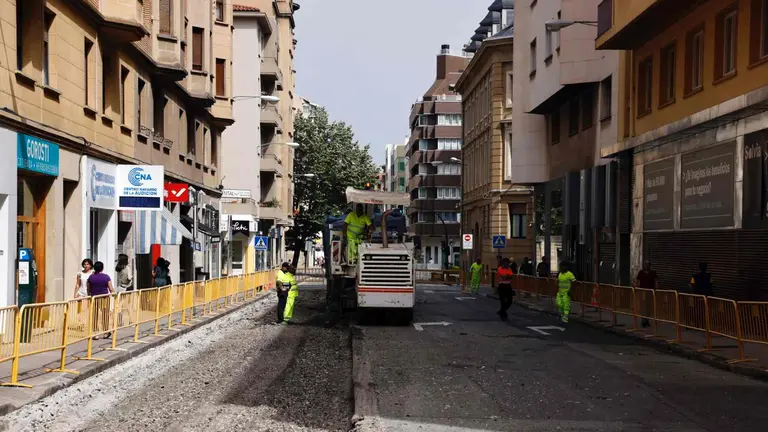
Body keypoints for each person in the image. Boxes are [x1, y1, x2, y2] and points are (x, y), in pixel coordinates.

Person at [87, 261, 114, 339]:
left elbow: (88, 289)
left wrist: (89, 295)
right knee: (105, 314)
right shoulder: (106, 277)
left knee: (94, 315)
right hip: (104, 297)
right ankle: (105, 332)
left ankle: (95, 333)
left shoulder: (91, 277)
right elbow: (110, 288)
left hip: (94, 298)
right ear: (102, 268)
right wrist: (114, 294)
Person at [635, 260, 658, 328]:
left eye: (648, 264)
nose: (646, 265)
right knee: (643, 306)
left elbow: (656, 280)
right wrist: (636, 288)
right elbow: (637, 281)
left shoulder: (653, 273)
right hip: (643, 292)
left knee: (649, 306)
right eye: (645, 264)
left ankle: (647, 320)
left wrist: (656, 289)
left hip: (650, 292)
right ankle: (643, 320)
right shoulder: (641, 272)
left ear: (650, 265)